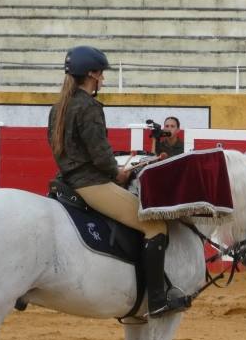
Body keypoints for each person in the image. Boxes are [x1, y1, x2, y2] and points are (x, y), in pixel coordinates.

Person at [48, 46, 187, 319]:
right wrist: (118, 174)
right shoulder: (88, 107)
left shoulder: (59, 107)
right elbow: (100, 155)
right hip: (91, 185)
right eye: (100, 73)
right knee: (155, 225)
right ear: (91, 74)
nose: (103, 78)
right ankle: (157, 300)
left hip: (66, 180)